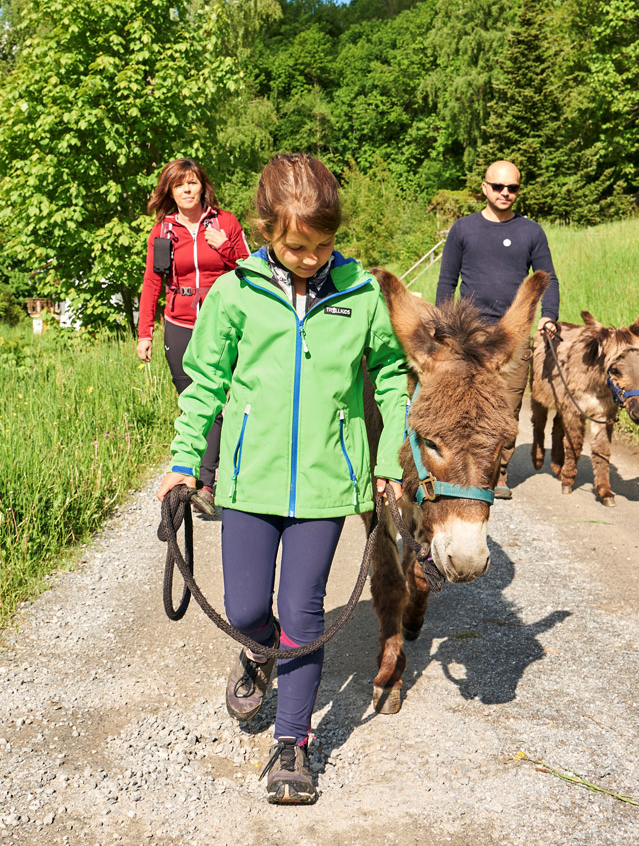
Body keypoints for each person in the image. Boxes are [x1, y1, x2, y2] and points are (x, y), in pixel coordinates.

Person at [154, 153, 409, 804]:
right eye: (297, 246)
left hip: (326, 487)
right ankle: (255, 652)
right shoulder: (236, 294)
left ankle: (292, 745)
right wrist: (186, 462)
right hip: (248, 482)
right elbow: (204, 383)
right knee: (246, 611)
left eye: (322, 245)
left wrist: (387, 463)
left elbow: (388, 373)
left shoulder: (360, 292)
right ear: (267, 229)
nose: (310, 257)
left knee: (301, 613)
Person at [435, 159, 560, 499]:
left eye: (513, 188)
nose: (506, 193)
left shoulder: (531, 232)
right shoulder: (463, 229)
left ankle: (498, 472)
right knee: (467, 403)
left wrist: (548, 315)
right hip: (469, 332)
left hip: (513, 335)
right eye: (499, 187)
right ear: (485, 188)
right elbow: (448, 280)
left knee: (507, 404)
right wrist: (444, 328)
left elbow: (548, 278)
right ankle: (467, 466)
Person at [137, 158, 250, 515]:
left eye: (192, 183)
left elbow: (253, 268)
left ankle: (205, 482)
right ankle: (195, 473)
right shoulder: (163, 231)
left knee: (217, 401)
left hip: (223, 322)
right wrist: (145, 333)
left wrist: (225, 247)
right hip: (180, 321)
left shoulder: (226, 222)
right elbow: (152, 283)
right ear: (170, 192)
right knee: (191, 399)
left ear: (203, 186)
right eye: (178, 185)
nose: (186, 190)